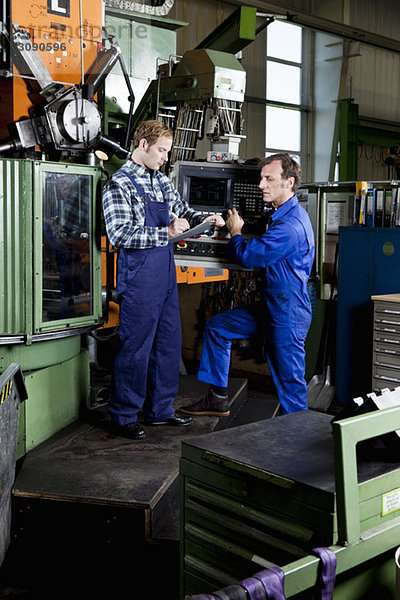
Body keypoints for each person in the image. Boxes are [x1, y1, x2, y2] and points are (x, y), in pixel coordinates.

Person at [102, 120, 224, 439]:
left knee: (168, 343)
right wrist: (165, 233)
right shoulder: (120, 183)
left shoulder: (161, 181)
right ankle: (124, 415)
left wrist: (207, 219)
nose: (165, 158)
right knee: (136, 347)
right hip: (140, 275)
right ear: (142, 145)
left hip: (165, 274)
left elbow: (183, 210)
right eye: (161, 151)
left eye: (168, 152)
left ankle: (159, 410)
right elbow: (119, 233)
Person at [181, 153, 315, 417]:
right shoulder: (282, 215)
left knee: (289, 385)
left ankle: (297, 440)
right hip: (271, 306)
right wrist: (225, 223)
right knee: (217, 328)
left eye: (269, 179)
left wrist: (236, 232)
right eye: (261, 178)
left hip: (287, 313)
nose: (261, 185)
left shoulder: (291, 226)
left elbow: (250, 256)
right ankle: (217, 398)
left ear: (289, 182)